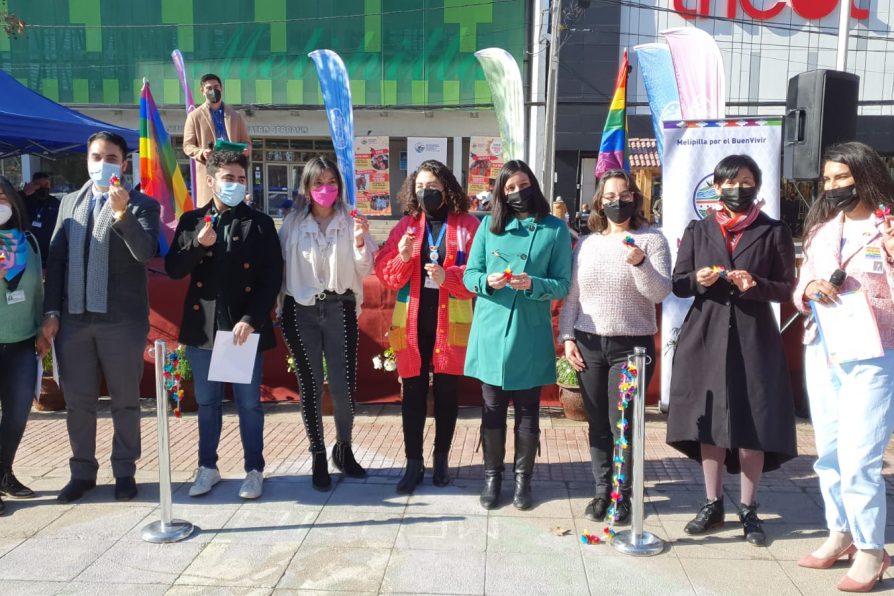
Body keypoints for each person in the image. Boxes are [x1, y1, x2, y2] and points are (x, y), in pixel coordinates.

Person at [666, 154, 797, 546]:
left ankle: (749, 508)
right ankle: (712, 503)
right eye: (729, 182)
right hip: (704, 337)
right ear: (716, 187)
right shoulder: (699, 228)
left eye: (745, 181)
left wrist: (755, 284)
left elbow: (787, 288)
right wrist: (699, 279)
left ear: (756, 185)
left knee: (751, 423)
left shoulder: (774, 231)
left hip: (754, 338)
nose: (737, 189)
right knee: (710, 424)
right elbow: (679, 283)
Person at [793, 142, 894, 591]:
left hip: (874, 352)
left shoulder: (887, 226)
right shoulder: (820, 230)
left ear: (865, 175)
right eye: (828, 180)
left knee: (860, 457)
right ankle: (841, 532)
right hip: (823, 347)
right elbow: (800, 289)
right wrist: (810, 287)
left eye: (842, 178)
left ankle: (873, 549)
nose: (833, 187)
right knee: (829, 452)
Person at [42, 131, 160, 503]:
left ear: (124, 164)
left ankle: (124, 471)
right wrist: (51, 312)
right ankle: (82, 472)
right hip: (74, 321)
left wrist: (123, 214)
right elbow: (56, 261)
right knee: (78, 401)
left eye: (111, 157)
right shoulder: (68, 204)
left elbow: (145, 253)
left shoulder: (142, 204)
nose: (103, 163)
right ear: (87, 160)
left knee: (125, 400)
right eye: (96, 156)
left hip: (121, 322)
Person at [165, 151, 283, 500]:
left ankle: (254, 469)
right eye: (228, 178)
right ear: (211, 180)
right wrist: (197, 245)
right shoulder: (191, 221)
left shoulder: (260, 224)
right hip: (204, 327)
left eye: (241, 179)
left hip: (241, 329)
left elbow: (271, 278)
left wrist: (252, 320)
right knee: (207, 402)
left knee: (249, 403)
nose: (235, 185)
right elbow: (174, 269)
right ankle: (207, 466)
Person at [560, 169, 671, 523]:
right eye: (609, 196)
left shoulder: (652, 240)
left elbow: (660, 292)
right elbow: (572, 296)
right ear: (598, 201)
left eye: (624, 195)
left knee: (623, 423)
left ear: (635, 199)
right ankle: (600, 491)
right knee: (597, 423)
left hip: (632, 348)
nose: (617, 202)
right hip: (589, 343)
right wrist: (567, 337)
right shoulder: (588, 243)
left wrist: (640, 263)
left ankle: (622, 495)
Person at [463, 159, 572, 510]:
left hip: (529, 329)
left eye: (522, 185)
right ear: (500, 194)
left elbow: (563, 284)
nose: (517, 193)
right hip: (492, 328)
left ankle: (524, 481)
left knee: (528, 409)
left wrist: (534, 284)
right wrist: (486, 282)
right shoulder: (489, 227)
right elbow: (469, 274)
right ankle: (492, 478)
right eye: (509, 189)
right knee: (492, 407)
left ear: (533, 186)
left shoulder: (555, 230)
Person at [374, 160, 479, 494]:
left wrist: (449, 277)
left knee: (448, 393)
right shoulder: (405, 227)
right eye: (419, 187)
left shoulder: (467, 226)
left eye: (432, 185)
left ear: (447, 187)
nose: (425, 192)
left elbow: (479, 274)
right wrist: (404, 257)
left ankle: (442, 458)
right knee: (413, 393)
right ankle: (413, 462)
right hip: (413, 319)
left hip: (452, 317)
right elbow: (387, 275)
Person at [279, 156, 376, 491]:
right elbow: (279, 269)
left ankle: (343, 448)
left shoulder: (351, 221)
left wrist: (362, 241)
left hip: (340, 308)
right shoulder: (292, 223)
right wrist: (278, 310)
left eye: (331, 182)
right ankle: (318, 453)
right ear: (306, 187)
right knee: (310, 385)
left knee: (342, 386)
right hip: (300, 311)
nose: (325, 189)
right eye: (317, 183)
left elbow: (365, 269)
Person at [0, 176, 49, 514]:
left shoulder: (29, 242)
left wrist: (41, 331)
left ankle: (4, 473)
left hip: (22, 344)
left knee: (17, 416)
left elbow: (38, 293)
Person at [183, 74, 251, 207]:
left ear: (221, 88)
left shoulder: (235, 116)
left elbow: (247, 142)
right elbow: (187, 146)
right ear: (202, 91)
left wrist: (246, 149)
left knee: (236, 214)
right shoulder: (194, 116)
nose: (213, 91)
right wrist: (202, 153)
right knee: (210, 214)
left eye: (216, 87)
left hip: (233, 170)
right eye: (209, 88)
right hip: (210, 172)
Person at [20, 172, 60, 268]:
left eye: (46, 184)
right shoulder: (25, 200)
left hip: (49, 251)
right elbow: (9, 204)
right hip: (28, 251)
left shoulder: (55, 203)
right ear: (33, 185)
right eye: (39, 185)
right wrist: (24, 193)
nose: (43, 188)